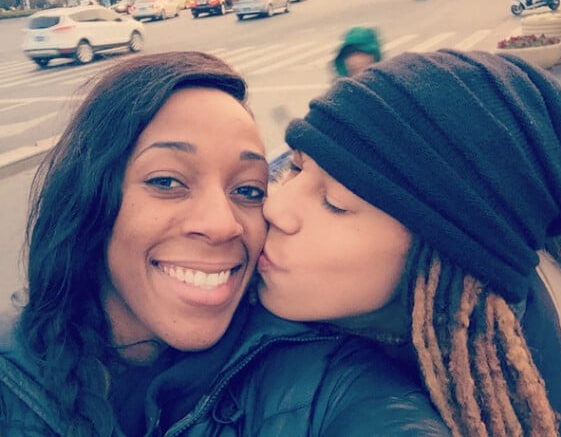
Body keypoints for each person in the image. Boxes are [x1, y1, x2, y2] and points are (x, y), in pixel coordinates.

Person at [0, 51, 449, 435]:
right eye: (167, 181)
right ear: (89, 200)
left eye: (249, 190)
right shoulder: (13, 375)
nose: (222, 225)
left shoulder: (320, 375)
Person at [259, 49, 561, 436]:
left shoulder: (512, 393)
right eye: (295, 168)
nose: (275, 206)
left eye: (335, 204)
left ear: (447, 256)